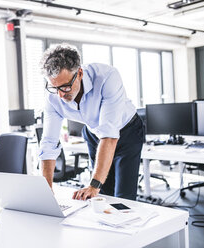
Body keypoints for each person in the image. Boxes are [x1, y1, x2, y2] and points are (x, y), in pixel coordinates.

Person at [39, 44, 144, 201]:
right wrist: (46, 190)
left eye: (66, 87)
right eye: (55, 88)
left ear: (79, 73)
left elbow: (109, 133)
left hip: (127, 131)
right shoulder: (52, 97)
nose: (60, 95)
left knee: (124, 197)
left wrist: (94, 184)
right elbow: (48, 143)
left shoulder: (107, 76)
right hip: (94, 133)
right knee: (102, 196)